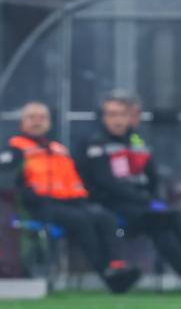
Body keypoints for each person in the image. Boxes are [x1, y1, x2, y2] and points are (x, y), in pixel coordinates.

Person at [77, 93, 181, 291]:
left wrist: (152, 198)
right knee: (167, 217)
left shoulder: (136, 141)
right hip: (112, 206)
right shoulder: (96, 144)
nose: (117, 120)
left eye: (122, 114)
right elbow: (107, 183)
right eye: (112, 114)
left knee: (164, 226)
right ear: (104, 118)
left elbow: (152, 175)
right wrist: (146, 200)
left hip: (142, 206)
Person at [0, 102, 141, 293]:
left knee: (105, 218)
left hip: (73, 201)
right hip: (39, 206)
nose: (37, 122)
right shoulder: (15, 150)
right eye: (32, 118)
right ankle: (108, 274)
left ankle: (117, 265)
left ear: (49, 123)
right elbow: (8, 181)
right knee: (82, 222)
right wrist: (28, 195)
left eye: (42, 118)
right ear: (22, 122)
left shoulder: (58, 148)